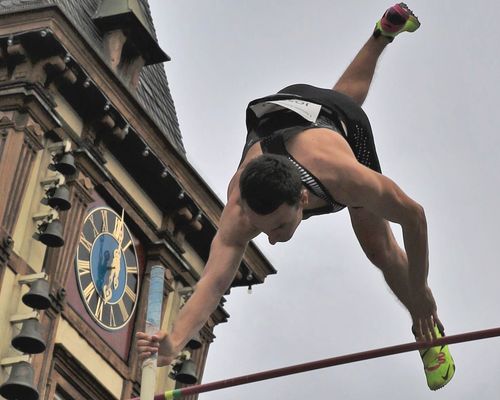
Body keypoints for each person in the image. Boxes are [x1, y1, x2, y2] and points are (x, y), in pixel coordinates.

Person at [137, 3, 455, 391]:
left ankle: (428, 336)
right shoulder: (239, 210)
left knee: (379, 247)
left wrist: (421, 292)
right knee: (336, 102)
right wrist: (174, 340)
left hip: (332, 129)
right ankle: (382, 34)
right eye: (263, 228)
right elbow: (212, 283)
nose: (270, 238)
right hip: (288, 109)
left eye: (278, 227)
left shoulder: (345, 177)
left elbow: (414, 217)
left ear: (304, 199)